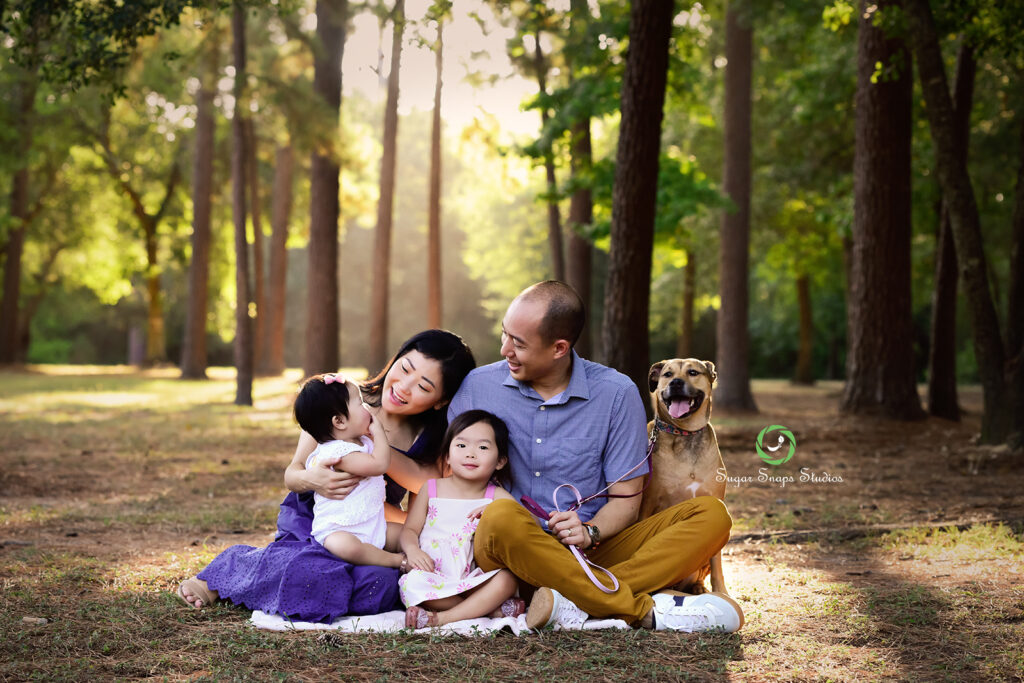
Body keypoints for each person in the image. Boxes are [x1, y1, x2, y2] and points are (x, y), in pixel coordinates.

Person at [448, 281, 744, 633]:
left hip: (595, 554)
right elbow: (446, 478)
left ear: (559, 347)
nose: (504, 349)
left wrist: (590, 531)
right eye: (505, 335)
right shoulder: (477, 387)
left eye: (519, 343)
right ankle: (634, 608)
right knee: (499, 517)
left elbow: (625, 500)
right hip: (511, 560)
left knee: (712, 515)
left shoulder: (616, 394)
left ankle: (566, 601)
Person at [176, 330, 476, 623]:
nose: (404, 387)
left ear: (440, 401)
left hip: (372, 533)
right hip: (317, 522)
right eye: (405, 368)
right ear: (395, 359)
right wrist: (315, 479)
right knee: (303, 565)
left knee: (382, 582)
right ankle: (215, 580)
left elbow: (426, 488)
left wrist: (368, 441)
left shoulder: (426, 438)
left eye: (423, 387)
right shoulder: (336, 400)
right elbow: (292, 474)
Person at [399, 410, 525, 628]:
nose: (471, 454)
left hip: (474, 576)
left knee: (507, 579)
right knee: (411, 583)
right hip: (433, 573)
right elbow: (409, 530)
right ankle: (487, 609)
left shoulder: (496, 496)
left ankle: (442, 618)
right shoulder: (431, 489)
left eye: (483, 447)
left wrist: (499, 511)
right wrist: (413, 551)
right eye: (461, 445)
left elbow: (525, 522)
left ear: (500, 461)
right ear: (447, 455)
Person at [293, 373, 400, 568]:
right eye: (360, 403)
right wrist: (379, 432)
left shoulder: (362, 441)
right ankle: (395, 561)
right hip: (338, 529)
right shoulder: (338, 452)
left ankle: (422, 556)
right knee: (349, 548)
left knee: (404, 534)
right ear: (339, 422)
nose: (367, 407)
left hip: (372, 523)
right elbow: (379, 465)